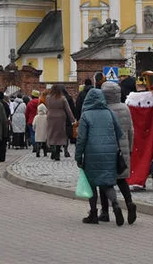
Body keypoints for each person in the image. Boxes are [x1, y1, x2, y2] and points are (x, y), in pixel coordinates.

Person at [76, 87, 125, 226]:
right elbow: (119, 133)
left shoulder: (86, 115)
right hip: (109, 152)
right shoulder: (110, 113)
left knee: (92, 183)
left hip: (92, 153)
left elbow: (81, 138)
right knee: (107, 183)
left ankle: (93, 214)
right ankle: (115, 204)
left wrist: (78, 156)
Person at [99, 80, 137, 224]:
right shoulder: (125, 108)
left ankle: (105, 211)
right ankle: (129, 203)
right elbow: (131, 130)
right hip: (123, 150)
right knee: (121, 180)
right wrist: (130, 148)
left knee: (103, 182)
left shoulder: (103, 109)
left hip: (107, 150)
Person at [45, 85, 75, 160]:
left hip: (50, 116)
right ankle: (57, 153)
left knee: (51, 133)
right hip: (60, 117)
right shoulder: (62, 98)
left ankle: (53, 151)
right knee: (59, 135)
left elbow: (47, 107)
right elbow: (68, 110)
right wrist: (72, 120)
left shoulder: (48, 98)